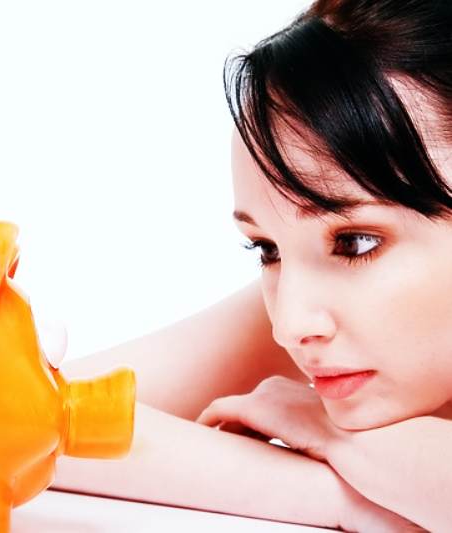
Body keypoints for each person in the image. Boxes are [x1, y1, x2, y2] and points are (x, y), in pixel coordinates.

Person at [50, 0, 452, 530]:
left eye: (355, 243)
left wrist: (329, 435)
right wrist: (337, 492)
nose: (290, 325)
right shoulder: (308, 307)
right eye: (267, 249)